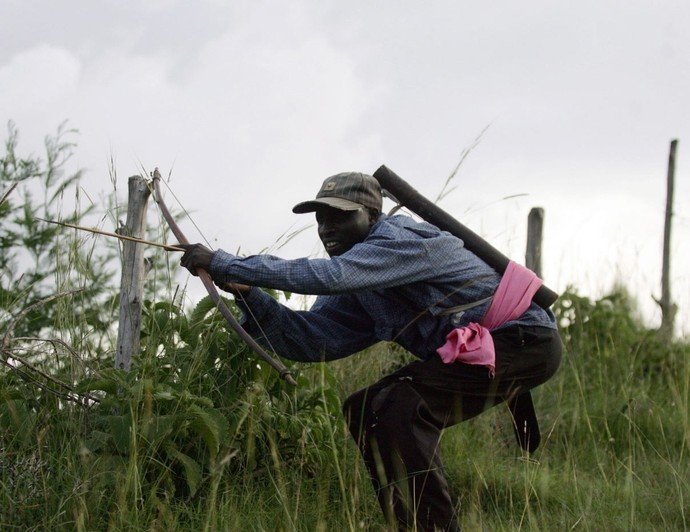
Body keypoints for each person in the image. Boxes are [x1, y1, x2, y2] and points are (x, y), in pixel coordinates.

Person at [179, 171, 562, 531]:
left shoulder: (399, 241)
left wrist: (226, 263)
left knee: (400, 407)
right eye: (321, 218)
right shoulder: (363, 280)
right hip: (486, 352)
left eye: (340, 217)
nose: (327, 228)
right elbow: (314, 339)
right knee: (365, 408)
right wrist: (249, 295)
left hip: (525, 341)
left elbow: (329, 277)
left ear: (372, 215)